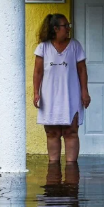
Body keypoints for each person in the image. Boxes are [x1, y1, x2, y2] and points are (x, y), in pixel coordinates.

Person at [33, 13, 90, 163]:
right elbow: (37, 72)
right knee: (52, 133)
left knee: (71, 132)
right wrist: (36, 93)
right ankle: (53, 168)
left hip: (71, 95)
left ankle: (71, 168)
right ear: (55, 28)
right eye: (66, 26)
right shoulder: (43, 47)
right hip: (49, 96)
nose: (69, 29)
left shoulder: (75, 46)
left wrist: (85, 91)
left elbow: (82, 70)